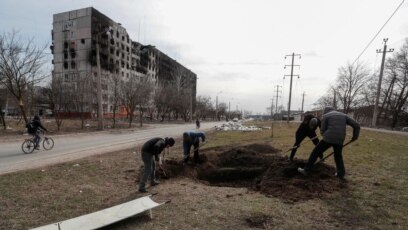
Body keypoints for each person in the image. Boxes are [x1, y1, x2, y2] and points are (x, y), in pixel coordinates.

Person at [298, 107, 360, 179]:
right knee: (338, 156)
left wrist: (326, 135)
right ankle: (341, 174)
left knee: (315, 152)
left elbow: (322, 130)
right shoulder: (344, 115)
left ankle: (306, 170)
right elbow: (357, 125)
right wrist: (355, 137)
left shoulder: (326, 116)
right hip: (340, 139)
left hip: (328, 138)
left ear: (325, 112)